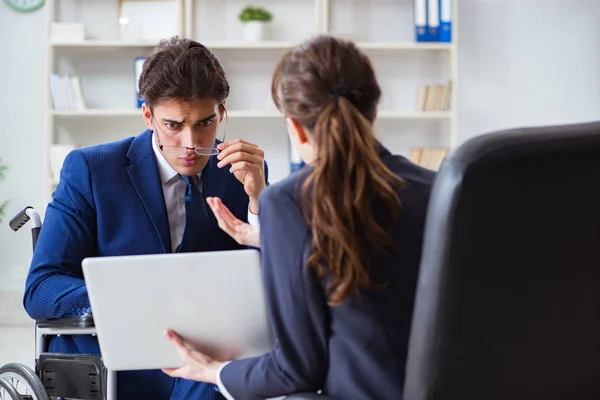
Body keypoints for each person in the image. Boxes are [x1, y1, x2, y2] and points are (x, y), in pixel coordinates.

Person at [161, 34, 436, 400]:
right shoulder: (438, 188)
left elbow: (295, 371)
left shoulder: (289, 202)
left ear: (295, 127)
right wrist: (272, 239)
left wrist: (215, 371)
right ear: (374, 106)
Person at [23, 36, 268, 400]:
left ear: (222, 112)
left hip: (207, 361)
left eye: (205, 122)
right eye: (173, 125)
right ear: (148, 116)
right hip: (117, 358)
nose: (190, 142)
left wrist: (260, 204)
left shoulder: (245, 175)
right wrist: (130, 298)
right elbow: (40, 288)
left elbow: (275, 285)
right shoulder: (92, 170)